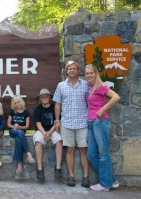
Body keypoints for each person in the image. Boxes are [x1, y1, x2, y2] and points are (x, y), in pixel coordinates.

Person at [53, 60, 90, 188]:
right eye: (70, 69)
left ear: (77, 70)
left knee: (83, 150)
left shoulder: (86, 85)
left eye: (74, 68)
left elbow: (90, 102)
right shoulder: (61, 85)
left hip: (82, 122)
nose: (72, 70)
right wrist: (57, 120)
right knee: (69, 149)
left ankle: (86, 177)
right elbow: (57, 103)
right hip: (67, 123)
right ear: (66, 71)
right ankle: (71, 176)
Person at [85, 64, 120, 191]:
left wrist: (103, 108)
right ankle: (111, 179)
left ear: (96, 74)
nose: (89, 75)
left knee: (103, 153)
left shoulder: (100, 86)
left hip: (100, 122)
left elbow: (116, 97)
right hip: (91, 123)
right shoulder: (89, 87)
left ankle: (105, 184)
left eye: (91, 73)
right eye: (87, 73)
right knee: (91, 155)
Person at [32, 88, 63, 180]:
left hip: (53, 130)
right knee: (38, 141)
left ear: (49, 98)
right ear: (40, 99)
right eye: (42, 97)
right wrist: (45, 133)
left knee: (59, 141)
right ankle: (40, 168)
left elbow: (56, 122)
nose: (44, 98)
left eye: (46, 97)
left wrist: (49, 133)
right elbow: (38, 123)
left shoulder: (54, 108)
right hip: (41, 131)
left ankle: (58, 167)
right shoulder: (37, 110)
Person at [7, 95, 36, 179]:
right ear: (13, 104)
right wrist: (14, 126)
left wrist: (20, 127)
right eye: (15, 103)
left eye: (18, 101)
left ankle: (19, 165)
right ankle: (28, 154)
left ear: (22, 101)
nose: (17, 104)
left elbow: (27, 126)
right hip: (12, 131)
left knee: (18, 139)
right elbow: (8, 124)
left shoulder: (26, 113)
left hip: (21, 131)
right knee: (19, 133)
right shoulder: (12, 112)